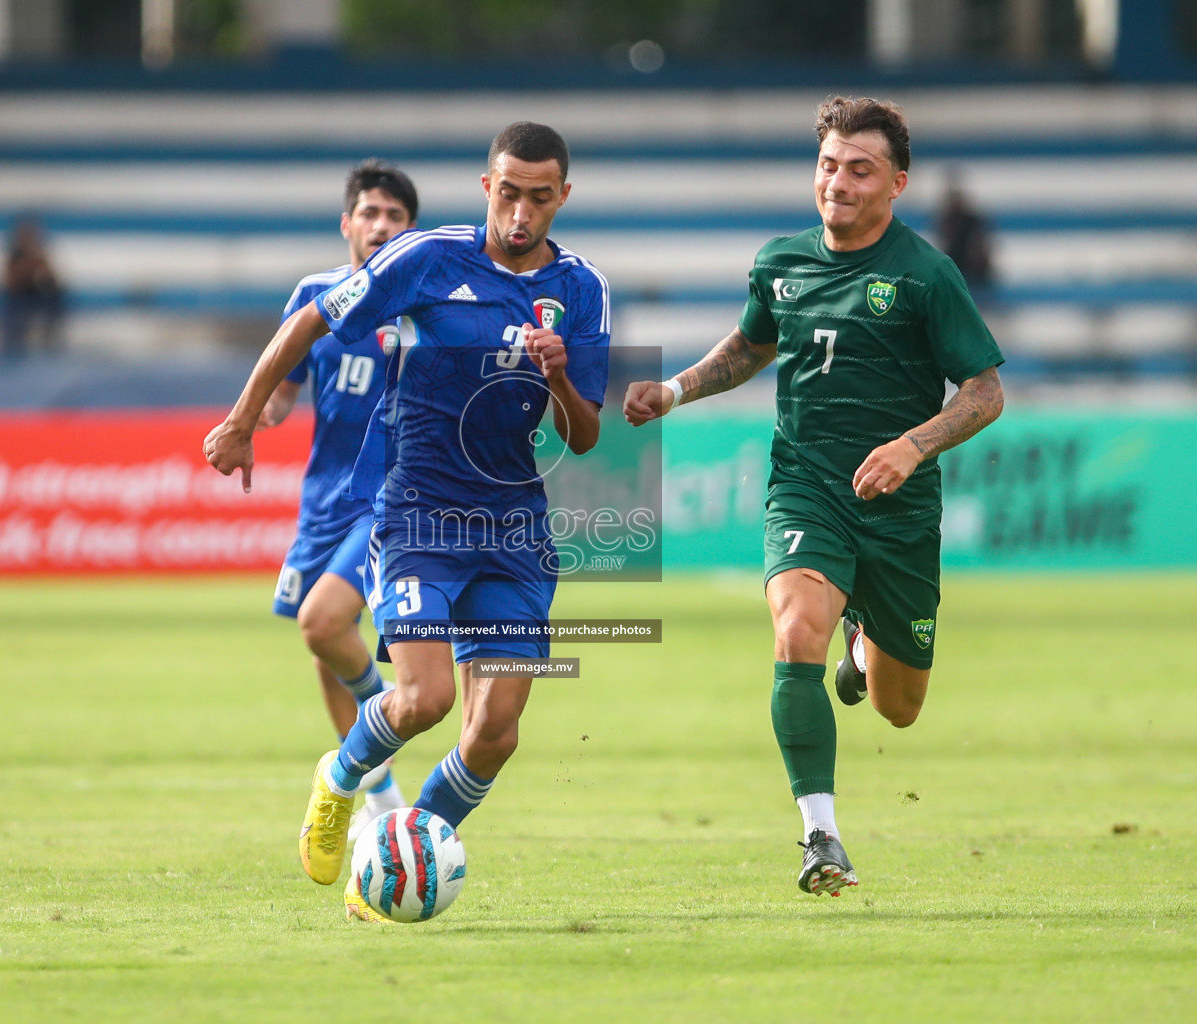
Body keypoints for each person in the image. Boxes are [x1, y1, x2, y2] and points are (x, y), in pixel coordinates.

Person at [204, 122, 610, 920]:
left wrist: (559, 378)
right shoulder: (426, 258)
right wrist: (244, 417)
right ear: (486, 185)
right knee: (422, 700)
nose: (520, 213)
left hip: (512, 528)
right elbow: (311, 319)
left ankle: (401, 858)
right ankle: (339, 780)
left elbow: (585, 434)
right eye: (507, 192)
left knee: (495, 729)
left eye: (539, 197)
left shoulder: (583, 288)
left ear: (562, 197)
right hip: (419, 509)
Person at [624, 96, 1004, 897]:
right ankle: (820, 837)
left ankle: (863, 640)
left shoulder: (926, 274)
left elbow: (984, 392)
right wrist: (675, 390)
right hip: (805, 489)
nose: (838, 181)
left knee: (900, 710)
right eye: (829, 164)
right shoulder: (780, 261)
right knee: (796, 629)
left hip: (897, 510)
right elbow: (753, 344)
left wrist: (911, 444)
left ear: (896, 183)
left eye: (859, 169)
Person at [261, 160, 419, 837]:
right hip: (323, 501)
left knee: (324, 623)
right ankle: (383, 804)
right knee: (327, 649)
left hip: (388, 496)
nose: (381, 226)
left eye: (395, 217)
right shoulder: (313, 293)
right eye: (371, 213)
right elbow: (283, 389)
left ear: (409, 230)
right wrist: (259, 411)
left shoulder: (421, 302)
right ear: (347, 223)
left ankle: (386, 716)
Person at [0, 217, 64, 360]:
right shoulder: (13, 258)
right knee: (12, 309)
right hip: (17, 297)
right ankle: (13, 346)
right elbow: (8, 284)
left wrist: (43, 276)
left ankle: (49, 340)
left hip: (36, 296)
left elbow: (53, 280)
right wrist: (27, 271)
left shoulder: (40, 256)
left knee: (55, 301)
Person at [934, 172, 995, 295]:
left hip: (975, 272)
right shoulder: (946, 221)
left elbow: (980, 249)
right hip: (957, 268)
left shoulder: (973, 221)